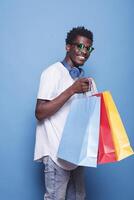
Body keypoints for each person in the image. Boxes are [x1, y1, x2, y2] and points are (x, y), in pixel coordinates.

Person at [34, 26, 97, 200]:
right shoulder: (52, 72)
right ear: (67, 47)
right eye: (79, 46)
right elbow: (39, 112)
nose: (84, 52)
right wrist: (71, 90)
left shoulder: (83, 80)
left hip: (77, 155)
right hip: (55, 153)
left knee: (78, 197)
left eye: (88, 48)